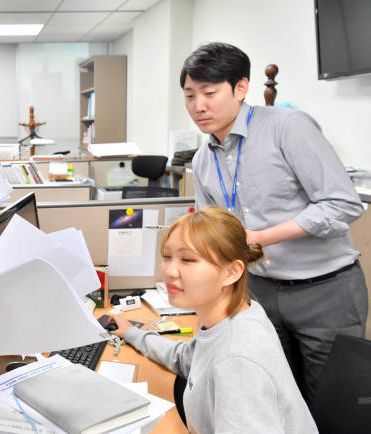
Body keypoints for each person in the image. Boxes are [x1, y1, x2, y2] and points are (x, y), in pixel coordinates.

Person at [182, 42, 367, 404]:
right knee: (277, 398)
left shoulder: (287, 127)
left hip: (324, 289)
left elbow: (343, 203)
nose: (198, 106)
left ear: (240, 88)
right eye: (190, 95)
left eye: (209, 93)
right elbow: (210, 228)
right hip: (258, 290)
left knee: (333, 405)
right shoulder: (204, 158)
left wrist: (262, 236)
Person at [111, 208, 317, 433]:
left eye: (188, 259)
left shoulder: (236, 360)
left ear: (231, 272)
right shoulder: (236, 314)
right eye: (167, 256)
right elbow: (186, 358)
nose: (169, 271)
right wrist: (132, 334)